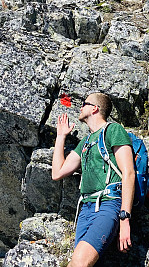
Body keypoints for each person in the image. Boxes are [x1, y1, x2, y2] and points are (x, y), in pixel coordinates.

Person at [52, 92, 135, 267]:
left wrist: (125, 219)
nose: (80, 107)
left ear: (95, 108)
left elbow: (129, 173)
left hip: (108, 204)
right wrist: (61, 137)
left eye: (84, 103)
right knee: (77, 262)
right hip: (85, 211)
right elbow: (57, 173)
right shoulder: (86, 141)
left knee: (80, 262)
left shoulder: (113, 130)